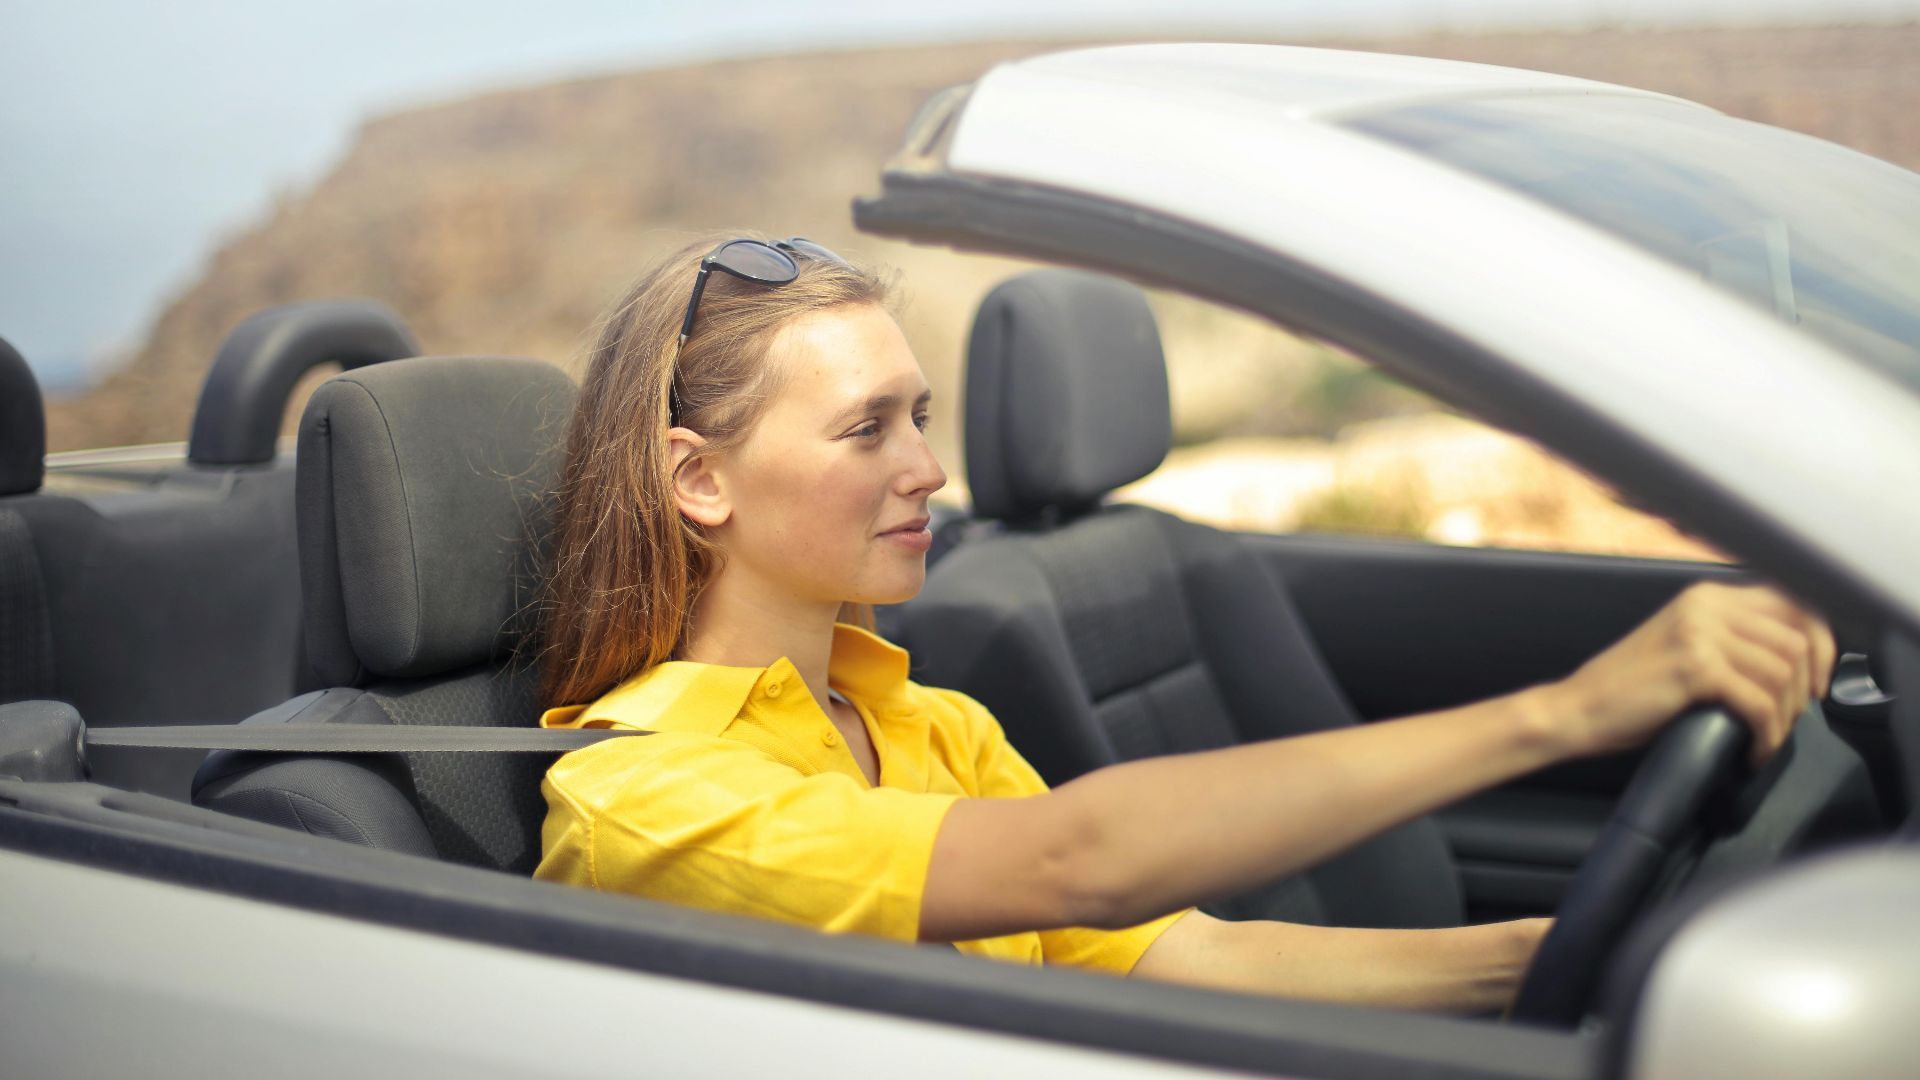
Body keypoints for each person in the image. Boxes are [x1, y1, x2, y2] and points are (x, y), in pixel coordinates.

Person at [531, 233, 1835, 1012]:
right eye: (866, 429)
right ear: (698, 478)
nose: (926, 469)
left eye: (920, 417)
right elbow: (1075, 862)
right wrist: (1563, 715)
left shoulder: (927, 725)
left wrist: (1574, 958)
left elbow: (1189, 959)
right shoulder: (646, 796)